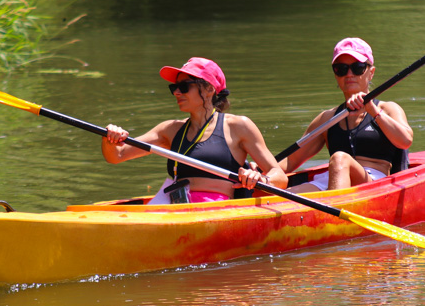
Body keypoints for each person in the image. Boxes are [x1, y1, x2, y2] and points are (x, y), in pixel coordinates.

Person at [102, 57, 287, 204]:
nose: (177, 93)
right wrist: (110, 137)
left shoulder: (238, 126)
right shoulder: (170, 129)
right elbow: (116, 156)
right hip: (176, 206)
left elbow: (279, 176)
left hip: (217, 209)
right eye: (174, 87)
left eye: (184, 87)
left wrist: (260, 179)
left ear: (208, 89)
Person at [280, 38, 413, 192]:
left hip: (373, 183)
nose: (349, 74)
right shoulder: (327, 118)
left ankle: (334, 208)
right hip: (331, 179)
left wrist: (372, 110)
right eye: (341, 69)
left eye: (357, 67)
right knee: (282, 196)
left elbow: (405, 141)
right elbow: (290, 160)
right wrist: (263, 171)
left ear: (371, 72)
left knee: (339, 158)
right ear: (336, 75)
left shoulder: (388, 108)